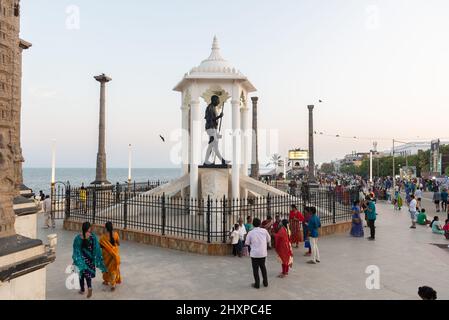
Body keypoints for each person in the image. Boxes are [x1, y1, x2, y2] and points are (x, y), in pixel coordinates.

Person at [72, 222, 107, 298]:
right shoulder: (93, 237)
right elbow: (97, 249)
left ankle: (82, 290)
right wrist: (97, 258)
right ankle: (89, 287)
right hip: (90, 260)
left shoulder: (78, 238)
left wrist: (76, 260)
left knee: (81, 275)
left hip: (81, 260)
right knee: (88, 275)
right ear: (88, 228)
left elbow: (76, 250)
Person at [245, 218, 271, 289]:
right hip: (263, 253)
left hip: (254, 254)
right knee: (263, 268)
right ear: (260, 224)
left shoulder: (251, 232)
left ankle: (257, 284)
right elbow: (269, 239)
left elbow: (247, 242)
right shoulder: (264, 231)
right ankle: (265, 282)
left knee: (255, 269)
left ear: (253, 224)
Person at [203, 95, 229, 165]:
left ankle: (207, 161)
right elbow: (210, 119)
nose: (219, 102)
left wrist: (216, 134)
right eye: (218, 100)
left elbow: (213, 120)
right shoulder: (210, 108)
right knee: (213, 146)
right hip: (210, 128)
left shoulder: (213, 107)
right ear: (214, 100)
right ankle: (221, 161)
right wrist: (219, 116)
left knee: (213, 146)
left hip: (213, 129)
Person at [100, 222, 121, 291]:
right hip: (114, 255)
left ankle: (106, 281)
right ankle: (113, 284)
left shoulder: (103, 237)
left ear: (106, 228)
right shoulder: (115, 234)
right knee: (113, 270)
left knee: (106, 268)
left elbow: (100, 245)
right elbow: (118, 243)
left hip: (106, 256)